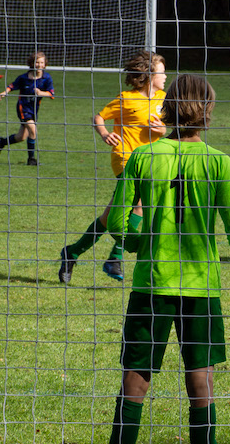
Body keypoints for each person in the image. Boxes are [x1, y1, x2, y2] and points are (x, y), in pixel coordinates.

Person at [78, 73, 230, 444]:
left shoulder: (142, 157)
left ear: (165, 110)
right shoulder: (219, 162)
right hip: (201, 290)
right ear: (208, 112)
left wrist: (138, 243)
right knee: (199, 384)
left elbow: (116, 221)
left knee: (134, 382)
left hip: (151, 285)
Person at [58, 51, 166, 283]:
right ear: (148, 75)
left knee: (110, 216)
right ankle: (115, 258)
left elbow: (165, 128)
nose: (165, 76)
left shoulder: (164, 99)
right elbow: (99, 117)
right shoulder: (127, 98)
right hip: (125, 159)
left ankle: (73, 252)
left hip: (150, 160)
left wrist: (162, 131)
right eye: (161, 72)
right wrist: (105, 133)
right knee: (139, 205)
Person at [0, 52, 55, 166]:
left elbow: (51, 94)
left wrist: (41, 93)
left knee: (21, 137)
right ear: (32, 63)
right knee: (33, 129)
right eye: (36, 62)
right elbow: (12, 86)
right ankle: (31, 159)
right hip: (23, 107)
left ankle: (1, 142)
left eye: (41, 62)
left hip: (34, 109)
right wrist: (4, 92)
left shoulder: (47, 78)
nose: (39, 65)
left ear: (45, 64)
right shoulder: (24, 78)